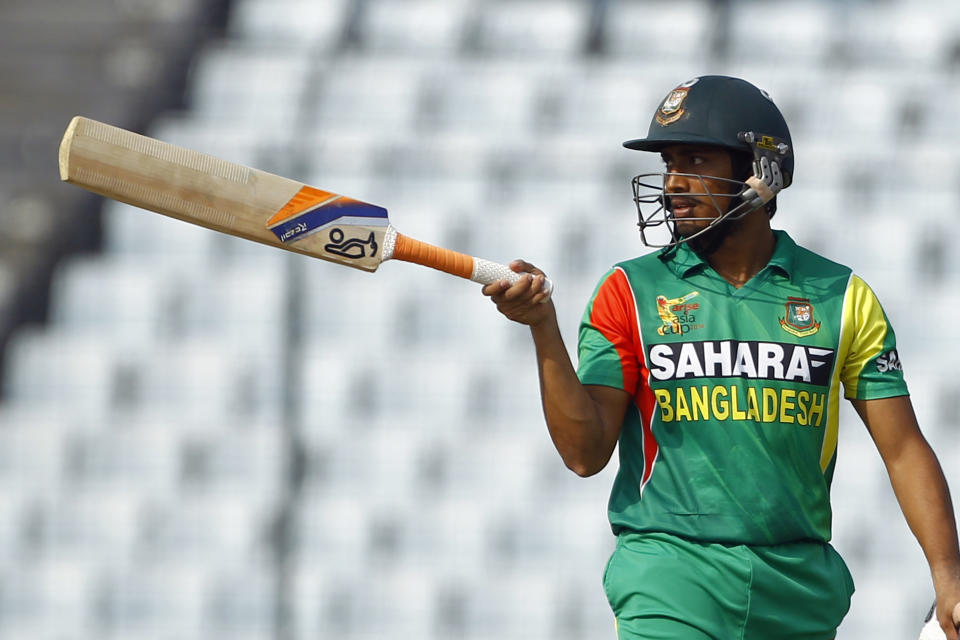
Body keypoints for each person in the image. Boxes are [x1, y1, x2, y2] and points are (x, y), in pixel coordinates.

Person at [483, 75, 960, 639]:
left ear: (763, 174)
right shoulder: (628, 291)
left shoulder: (842, 296)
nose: (673, 184)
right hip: (670, 577)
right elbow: (585, 454)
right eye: (668, 164)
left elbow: (904, 449)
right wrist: (543, 328)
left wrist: (948, 575)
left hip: (800, 588)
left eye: (695, 161)